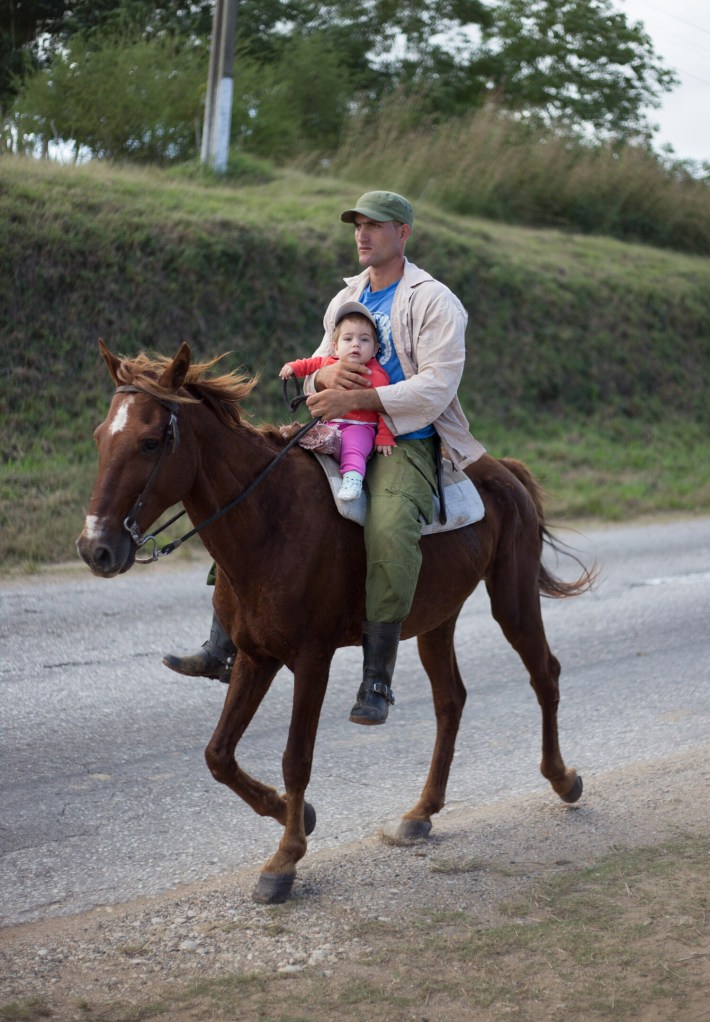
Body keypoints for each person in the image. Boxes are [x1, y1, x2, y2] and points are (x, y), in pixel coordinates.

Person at [163, 189, 486, 724]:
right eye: (357, 225)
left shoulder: (434, 301)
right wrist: (325, 375)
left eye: (376, 225)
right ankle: (223, 642)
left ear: (403, 234)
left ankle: (378, 678)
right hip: (335, 426)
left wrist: (355, 395)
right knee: (253, 493)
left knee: (389, 527)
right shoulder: (347, 298)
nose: (363, 234)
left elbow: (436, 388)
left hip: (402, 438)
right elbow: (319, 364)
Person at [279, 301, 396, 501]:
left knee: (354, 448)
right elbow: (311, 363)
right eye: (348, 339)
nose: (356, 344)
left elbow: (384, 407)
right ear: (335, 347)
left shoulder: (376, 375)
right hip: (329, 423)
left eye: (364, 340)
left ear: (376, 348)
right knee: (304, 437)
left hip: (360, 426)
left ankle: (352, 479)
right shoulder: (330, 363)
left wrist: (384, 436)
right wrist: (293, 367)